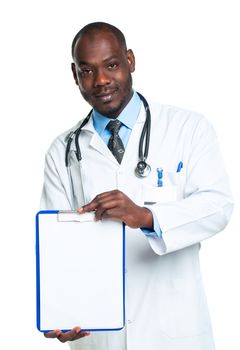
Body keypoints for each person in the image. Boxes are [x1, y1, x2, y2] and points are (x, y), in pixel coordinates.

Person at [41, 22, 233, 350]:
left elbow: (218, 206)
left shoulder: (188, 128)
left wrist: (146, 217)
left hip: (174, 331)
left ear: (130, 61)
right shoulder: (63, 151)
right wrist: (59, 312)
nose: (100, 80)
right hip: (99, 336)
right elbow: (56, 246)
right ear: (75, 75)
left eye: (111, 65)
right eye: (87, 71)